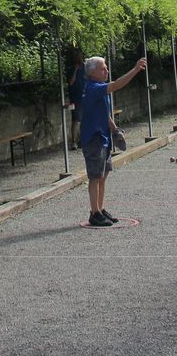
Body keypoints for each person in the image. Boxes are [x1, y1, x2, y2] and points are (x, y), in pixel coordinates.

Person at [80, 56, 146, 227]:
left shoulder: (98, 88)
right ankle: (94, 213)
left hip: (103, 137)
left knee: (103, 175)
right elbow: (116, 84)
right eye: (103, 68)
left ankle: (100, 209)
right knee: (95, 177)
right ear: (93, 72)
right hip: (93, 139)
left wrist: (114, 129)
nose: (107, 71)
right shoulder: (93, 87)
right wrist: (136, 69)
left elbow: (104, 113)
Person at [67, 50, 86, 150]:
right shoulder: (71, 69)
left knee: (84, 118)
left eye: (81, 56)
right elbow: (70, 82)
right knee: (75, 119)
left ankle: (82, 140)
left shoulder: (84, 67)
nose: (80, 58)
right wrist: (75, 70)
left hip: (84, 96)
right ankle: (73, 141)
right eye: (78, 56)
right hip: (74, 98)